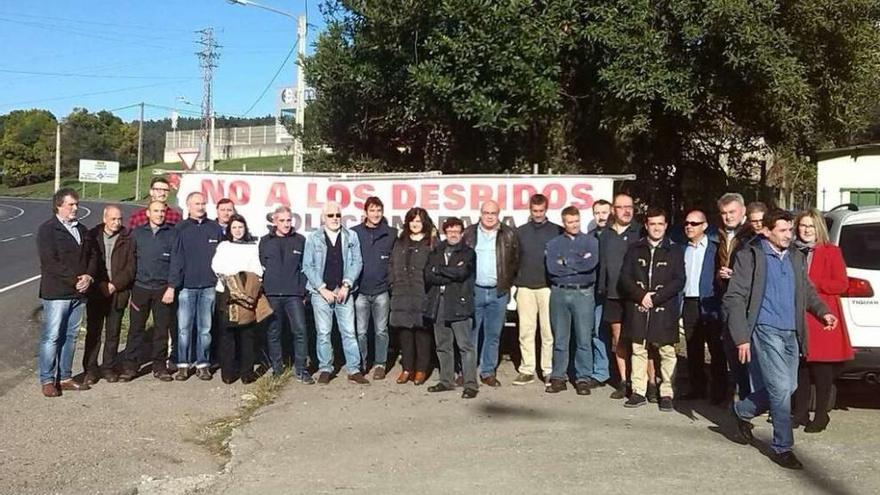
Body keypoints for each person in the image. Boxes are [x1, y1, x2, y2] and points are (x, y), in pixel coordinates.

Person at [725, 208, 837, 470]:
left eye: (791, 229)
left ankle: (742, 411)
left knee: (789, 387)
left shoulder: (795, 257)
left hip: (792, 332)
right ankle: (782, 447)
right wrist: (741, 337)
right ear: (766, 231)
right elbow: (735, 298)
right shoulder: (750, 256)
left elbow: (806, 291)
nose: (790, 235)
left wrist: (823, 312)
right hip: (764, 330)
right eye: (784, 230)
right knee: (779, 389)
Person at [791, 208, 854, 432]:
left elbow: (841, 284)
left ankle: (820, 415)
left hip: (823, 316)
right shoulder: (792, 251)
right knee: (802, 368)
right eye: (803, 226)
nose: (806, 230)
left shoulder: (831, 251)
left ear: (819, 228)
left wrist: (813, 285)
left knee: (822, 369)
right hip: (800, 315)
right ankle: (799, 412)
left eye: (810, 226)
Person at [618, 206, 685, 411]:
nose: (656, 228)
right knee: (638, 349)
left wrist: (655, 298)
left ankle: (666, 393)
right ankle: (638, 391)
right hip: (639, 306)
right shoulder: (634, 248)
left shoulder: (674, 250)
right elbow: (625, 278)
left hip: (664, 307)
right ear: (646, 225)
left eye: (660, 224)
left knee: (666, 352)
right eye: (652, 224)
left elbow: (679, 280)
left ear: (665, 226)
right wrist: (640, 296)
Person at [37, 188, 96, 397]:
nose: (75, 208)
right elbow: (50, 262)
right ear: (59, 205)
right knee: (52, 336)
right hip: (57, 293)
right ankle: (47, 379)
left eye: (76, 204)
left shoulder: (82, 229)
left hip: (79, 294)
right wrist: (74, 280)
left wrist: (88, 276)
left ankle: (65, 377)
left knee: (71, 337)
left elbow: (92, 256)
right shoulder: (48, 230)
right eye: (71, 204)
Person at [303, 202, 369, 385]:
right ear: (323, 217)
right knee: (323, 332)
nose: (335, 219)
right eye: (331, 215)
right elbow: (307, 266)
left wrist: (347, 285)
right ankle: (325, 368)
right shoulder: (313, 238)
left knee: (348, 331)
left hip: (344, 291)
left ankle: (354, 369)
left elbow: (357, 262)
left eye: (338, 215)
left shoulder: (351, 236)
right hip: (320, 292)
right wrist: (322, 288)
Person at [463, 200, 520, 387]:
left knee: (493, 334)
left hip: (498, 292)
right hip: (475, 290)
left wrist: (506, 284)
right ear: (480, 213)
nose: (489, 216)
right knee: (471, 334)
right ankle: (468, 371)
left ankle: (488, 372)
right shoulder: (470, 233)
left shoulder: (509, 234)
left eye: (493, 213)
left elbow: (515, 261)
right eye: (486, 212)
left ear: (499, 214)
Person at [544, 206, 600, 395]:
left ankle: (583, 377)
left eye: (576, 221)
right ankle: (559, 377)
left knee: (584, 337)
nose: (574, 225)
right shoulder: (553, 244)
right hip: (559, 293)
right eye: (570, 222)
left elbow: (591, 264)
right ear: (564, 223)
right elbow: (553, 268)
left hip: (583, 293)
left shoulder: (591, 242)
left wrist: (566, 261)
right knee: (560, 338)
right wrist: (578, 262)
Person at [169, 192, 224, 381]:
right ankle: (183, 365)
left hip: (209, 286)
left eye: (203, 203)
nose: (200, 207)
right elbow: (176, 258)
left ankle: (203, 364)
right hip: (186, 286)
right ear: (188, 205)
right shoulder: (180, 229)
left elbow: (222, 258)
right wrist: (173, 284)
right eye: (196, 203)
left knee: (205, 329)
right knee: (184, 328)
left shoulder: (215, 228)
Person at [122, 200, 178, 382]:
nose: (159, 214)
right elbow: (130, 262)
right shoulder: (137, 234)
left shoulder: (173, 234)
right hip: (140, 289)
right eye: (156, 211)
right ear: (148, 213)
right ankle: (130, 366)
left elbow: (177, 263)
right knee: (136, 329)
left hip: (163, 290)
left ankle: (159, 366)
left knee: (161, 330)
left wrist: (171, 287)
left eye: (162, 211)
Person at [425, 217, 479, 399]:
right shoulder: (436, 251)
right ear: (444, 233)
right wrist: (449, 272)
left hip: (459, 303)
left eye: (457, 231)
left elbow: (462, 273)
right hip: (438, 303)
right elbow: (428, 275)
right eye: (450, 231)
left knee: (465, 346)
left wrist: (440, 270)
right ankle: (446, 380)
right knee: (443, 345)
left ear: (462, 233)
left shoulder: (468, 253)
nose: (453, 234)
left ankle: (470, 383)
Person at [512, 194, 561, 386]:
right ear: (530, 210)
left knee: (548, 332)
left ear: (546, 209)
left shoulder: (557, 230)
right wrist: (516, 281)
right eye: (535, 211)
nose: (538, 214)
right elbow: (512, 258)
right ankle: (527, 369)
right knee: (526, 330)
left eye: (541, 211)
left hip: (548, 287)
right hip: (525, 287)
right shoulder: (520, 232)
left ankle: (548, 369)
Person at [83, 205, 134, 385]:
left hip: (118, 293)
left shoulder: (128, 238)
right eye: (113, 219)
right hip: (97, 292)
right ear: (105, 218)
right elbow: (88, 263)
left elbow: (130, 267)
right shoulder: (92, 236)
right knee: (93, 332)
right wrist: (102, 285)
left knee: (113, 333)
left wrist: (115, 285)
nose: (117, 222)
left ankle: (108, 367)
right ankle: (90, 369)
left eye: (119, 219)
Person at [260, 206, 312, 383]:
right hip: (272, 294)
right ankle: (277, 369)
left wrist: (302, 291)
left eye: (289, 220)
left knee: (300, 331)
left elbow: (305, 268)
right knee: (274, 332)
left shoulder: (300, 240)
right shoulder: (265, 241)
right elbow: (261, 267)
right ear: (274, 221)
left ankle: (301, 369)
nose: (286, 224)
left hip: (294, 295)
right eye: (282, 220)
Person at [598, 193, 642, 399]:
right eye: (621, 207)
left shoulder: (640, 232)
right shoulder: (605, 234)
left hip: (635, 296)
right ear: (613, 210)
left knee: (640, 340)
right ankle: (624, 381)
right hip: (613, 294)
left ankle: (644, 382)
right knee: (618, 339)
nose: (626, 211)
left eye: (629, 207)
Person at [212, 214, 266, 384]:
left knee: (247, 334)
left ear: (245, 228)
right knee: (227, 334)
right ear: (229, 230)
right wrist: (231, 280)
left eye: (240, 227)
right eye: (234, 227)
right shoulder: (224, 246)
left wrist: (247, 285)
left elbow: (257, 269)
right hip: (227, 291)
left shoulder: (252, 247)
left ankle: (247, 372)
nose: (237, 230)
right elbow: (217, 265)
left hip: (247, 293)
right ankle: (228, 371)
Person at [680, 209, 726, 404]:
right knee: (693, 347)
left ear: (704, 226)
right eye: (687, 223)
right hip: (689, 301)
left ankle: (720, 391)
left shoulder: (715, 248)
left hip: (709, 300)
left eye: (694, 223)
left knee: (716, 348)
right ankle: (697, 387)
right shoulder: (682, 248)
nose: (689, 227)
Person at [389, 207, 437, 386]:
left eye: (418, 221)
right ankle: (407, 369)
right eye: (412, 220)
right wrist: (392, 282)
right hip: (401, 293)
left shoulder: (431, 243)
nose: (415, 224)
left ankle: (421, 370)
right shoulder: (400, 242)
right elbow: (391, 264)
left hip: (422, 293)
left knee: (422, 333)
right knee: (405, 333)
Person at [716, 192, 756, 401]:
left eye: (732, 212)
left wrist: (736, 275)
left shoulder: (751, 236)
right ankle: (738, 392)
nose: (728, 217)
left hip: (746, 302)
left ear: (743, 211)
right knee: (731, 350)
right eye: (724, 213)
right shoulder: (721, 234)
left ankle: (750, 397)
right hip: (726, 299)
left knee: (746, 351)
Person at [352, 196, 397, 380]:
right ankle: (362, 364)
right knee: (361, 332)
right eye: (372, 210)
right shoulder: (354, 232)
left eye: (379, 210)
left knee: (381, 330)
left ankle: (380, 364)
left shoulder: (391, 233)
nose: (376, 214)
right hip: (360, 291)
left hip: (381, 291)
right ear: (365, 212)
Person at [589, 199, 612, 388]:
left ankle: (625, 376)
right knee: (596, 332)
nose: (601, 216)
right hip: (595, 291)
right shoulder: (589, 237)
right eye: (597, 212)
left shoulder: (616, 235)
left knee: (621, 335)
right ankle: (601, 372)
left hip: (615, 292)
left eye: (604, 212)